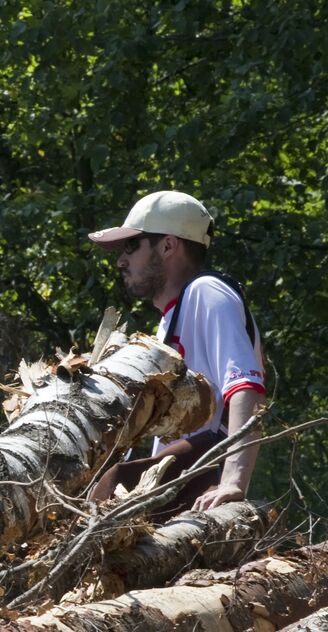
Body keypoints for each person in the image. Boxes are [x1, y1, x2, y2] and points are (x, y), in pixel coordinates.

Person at [87, 190, 265, 512]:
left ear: (168, 245)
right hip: (186, 480)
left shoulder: (206, 292)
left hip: (204, 480)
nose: (121, 260)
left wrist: (233, 482)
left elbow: (246, 386)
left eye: (131, 246)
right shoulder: (174, 316)